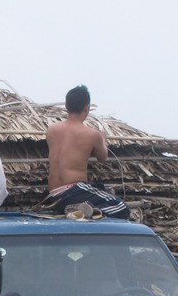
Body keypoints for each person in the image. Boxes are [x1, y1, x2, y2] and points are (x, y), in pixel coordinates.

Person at [45, 85, 130, 219]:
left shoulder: (52, 130)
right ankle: (81, 209)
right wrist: (103, 138)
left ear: (66, 106)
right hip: (74, 191)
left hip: (54, 194)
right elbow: (103, 157)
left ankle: (79, 209)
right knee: (122, 208)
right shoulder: (91, 134)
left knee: (98, 190)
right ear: (87, 107)